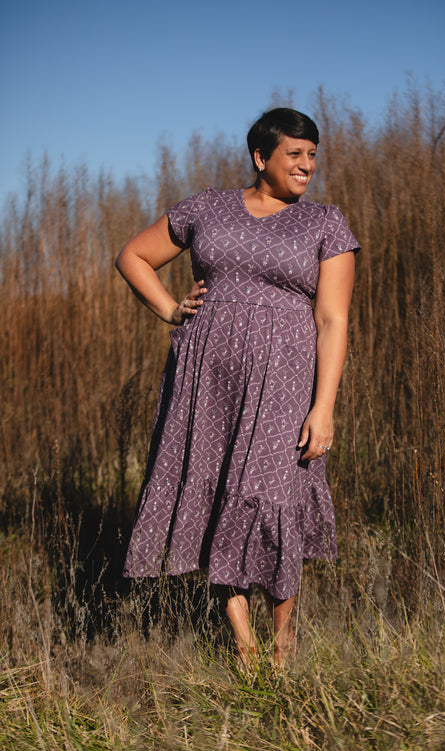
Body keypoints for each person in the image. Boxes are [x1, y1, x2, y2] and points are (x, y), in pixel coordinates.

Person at [116, 108, 360, 665]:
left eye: (313, 155)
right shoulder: (206, 207)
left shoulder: (325, 223)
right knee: (217, 491)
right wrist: (170, 309)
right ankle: (245, 648)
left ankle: (283, 646)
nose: (307, 165)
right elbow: (133, 256)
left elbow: (333, 320)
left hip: (285, 381)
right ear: (260, 157)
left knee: (272, 495)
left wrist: (324, 407)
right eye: (295, 154)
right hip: (205, 380)